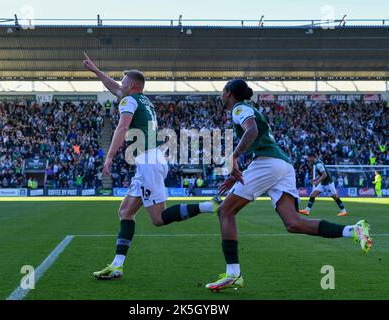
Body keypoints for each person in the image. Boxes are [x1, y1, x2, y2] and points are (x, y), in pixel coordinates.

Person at [205, 79, 372, 292]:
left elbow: (252, 131)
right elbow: (260, 141)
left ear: (228, 92)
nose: (221, 95)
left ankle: (233, 274)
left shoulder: (239, 108)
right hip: (281, 164)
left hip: (268, 164)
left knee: (225, 211)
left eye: (222, 91)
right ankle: (353, 230)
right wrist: (242, 170)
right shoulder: (251, 108)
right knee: (293, 223)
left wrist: (234, 157)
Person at [82, 53, 220, 280]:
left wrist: (108, 157)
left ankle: (208, 206)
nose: (120, 84)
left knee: (158, 218)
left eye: (124, 81)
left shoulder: (129, 101)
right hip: (150, 160)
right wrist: (95, 70)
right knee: (125, 212)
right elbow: (114, 88)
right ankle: (117, 266)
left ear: (133, 85)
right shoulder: (142, 99)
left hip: (148, 162)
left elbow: (122, 128)